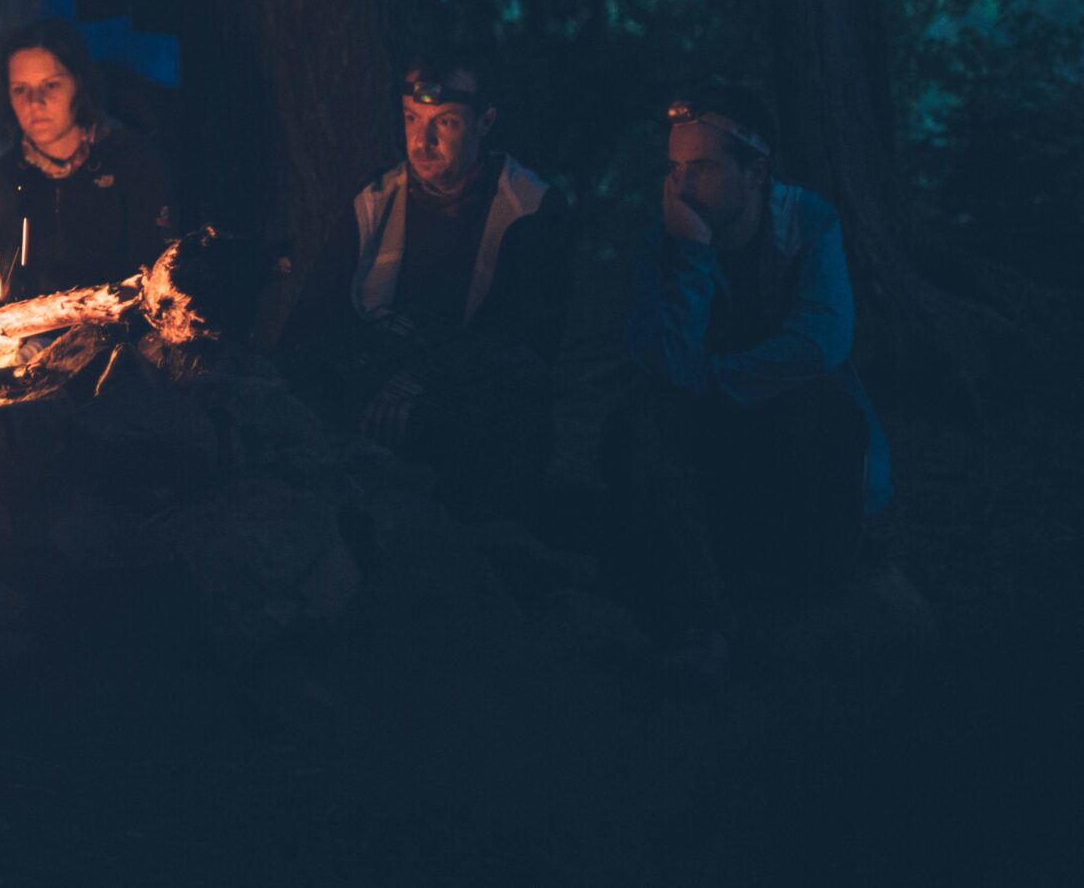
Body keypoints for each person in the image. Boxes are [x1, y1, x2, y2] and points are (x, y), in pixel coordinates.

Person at [605, 85, 892, 678]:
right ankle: (699, 624)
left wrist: (717, 379)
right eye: (674, 169)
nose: (682, 187)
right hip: (704, 432)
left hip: (778, 418)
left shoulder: (807, 223)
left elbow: (821, 342)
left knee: (824, 401)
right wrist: (691, 257)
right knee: (640, 419)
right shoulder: (663, 242)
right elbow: (664, 370)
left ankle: (816, 589)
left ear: (755, 172)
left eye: (702, 169)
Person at [281, 53, 572, 521]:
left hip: (466, 386)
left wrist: (424, 380)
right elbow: (313, 314)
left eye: (447, 123)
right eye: (412, 119)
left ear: (484, 122)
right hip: (379, 376)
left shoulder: (530, 209)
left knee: (516, 387)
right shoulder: (377, 200)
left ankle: (491, 539)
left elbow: (525, 334)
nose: (423, 141)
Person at [0, 19, 175, 312]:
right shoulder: (0, 183)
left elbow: (157, 272)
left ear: (78, 84)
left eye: (51, 85)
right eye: (20, 89)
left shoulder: (131, 163)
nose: (35, 102)